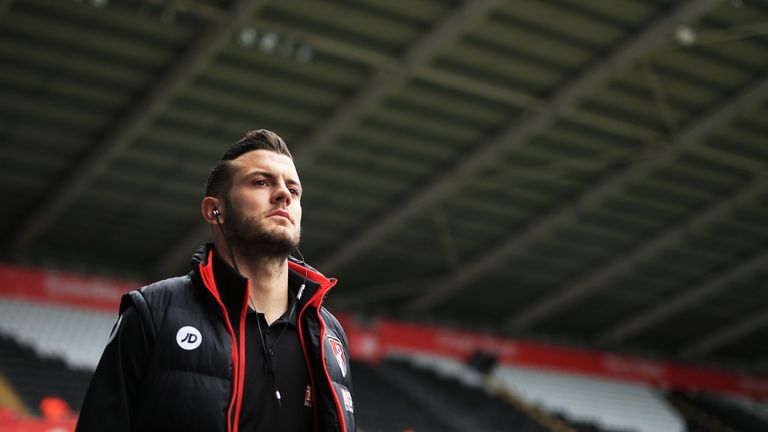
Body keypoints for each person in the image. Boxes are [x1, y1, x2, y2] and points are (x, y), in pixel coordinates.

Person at [76, 130, 355, 432]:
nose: (283, 194)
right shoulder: (153, 312)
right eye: (261, 182)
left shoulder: (328, 332)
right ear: (214, 210)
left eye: (294, 190)